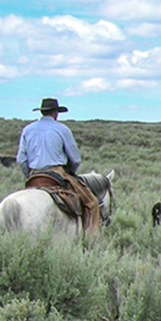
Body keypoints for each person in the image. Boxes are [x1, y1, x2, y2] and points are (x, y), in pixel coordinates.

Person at [16, 97, 101, 234]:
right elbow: (75, 159)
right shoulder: (62, 129)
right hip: (57, 174)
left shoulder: (27, 130)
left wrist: (29, 175)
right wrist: (71, 172)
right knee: (92, 203)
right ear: (55, 113)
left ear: (42, 112)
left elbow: (21, 160)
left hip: (34, 175)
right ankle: (91, 240)